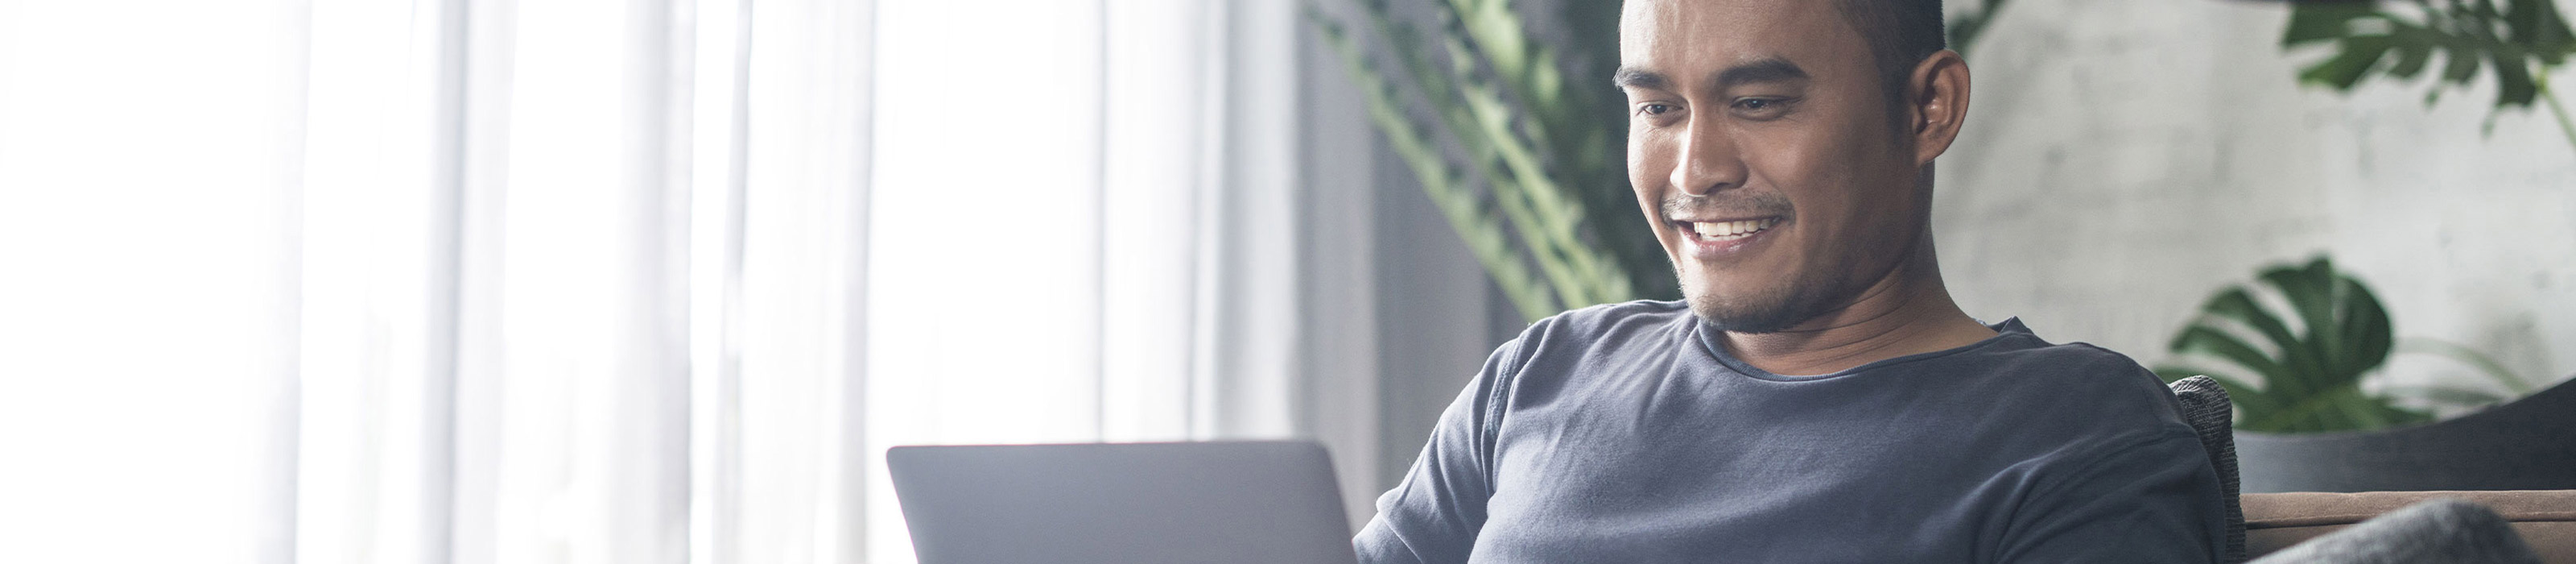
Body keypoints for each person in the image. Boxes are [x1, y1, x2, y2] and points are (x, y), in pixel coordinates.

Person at [1350, 0, 2228, 562]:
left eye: (1758, 103)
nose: (1695, 168)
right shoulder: (1543, 373)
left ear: (1928, 108)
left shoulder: (2073, 435)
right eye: (1658, 108)